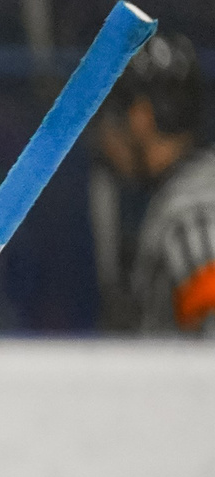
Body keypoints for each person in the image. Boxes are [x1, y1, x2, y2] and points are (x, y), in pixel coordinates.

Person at [90, 27, 215, 334]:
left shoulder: (192, 217)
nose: (104, 137)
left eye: (107, 116)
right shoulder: (190, 193)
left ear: (139, 117)